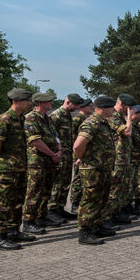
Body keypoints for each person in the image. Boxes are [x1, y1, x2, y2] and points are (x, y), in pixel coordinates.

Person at [0, 87, 33, 250]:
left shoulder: (21, 119)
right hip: (8, 169)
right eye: (26, 100)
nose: (29, 103)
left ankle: (13, 231)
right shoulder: (5, 119)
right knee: (3, 202)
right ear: (16, 101)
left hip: (20, 168)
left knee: (17, 201)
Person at [73, 96, 118, 245]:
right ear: (104, 108)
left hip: (103, 168)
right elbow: (78, 145)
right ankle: (84, 232)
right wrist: (84, 159)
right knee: (90, 201)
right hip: (93, 169)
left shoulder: (103, 122)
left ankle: (96, 227)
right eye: (111, 107)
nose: (113, 110)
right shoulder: (91, 123)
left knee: (101, 199)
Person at [20, 93, 62, 235]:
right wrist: (52, 154)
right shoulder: (31, 118)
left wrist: (59, 150)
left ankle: (41, 217)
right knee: (34, 191)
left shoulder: (46, 118)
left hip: (50, 160)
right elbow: (35, 141)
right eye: (48, 101)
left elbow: (55, 136)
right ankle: (28, 221)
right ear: (39, 103)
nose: (51, 103)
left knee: (46, 190)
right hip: (37, 161)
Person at [48, 93, 81, 221]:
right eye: (75, 105)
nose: (77, 108)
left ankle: (59, 208)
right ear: (67, 102)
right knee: (57, 183)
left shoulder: (67, 115)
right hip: (59, 155)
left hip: (67, 155)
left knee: (65, 183)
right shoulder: (56, 116)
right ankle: (51, 210)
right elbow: (50, 136)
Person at [106, 93, 136, 227]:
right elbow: (127, 132)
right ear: (122, 105)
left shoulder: (120, 117)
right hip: (116, 159)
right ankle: (108, 217)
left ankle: (117, 213)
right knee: (114, 188)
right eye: (128, 107)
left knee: (122, 188)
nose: (129, 110)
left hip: (124, 158)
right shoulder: (113, 116)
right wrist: (129, 117)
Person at [67, 98, 93, 214]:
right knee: (78, 179)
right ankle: (74, 203)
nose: (92, 108)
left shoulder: (86, 119)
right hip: (78, 153)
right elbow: (74, 138)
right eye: (89, 106)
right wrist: (77, 156)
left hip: (85, 153)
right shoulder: (78, 119)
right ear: (83, 107)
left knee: (83, 179)